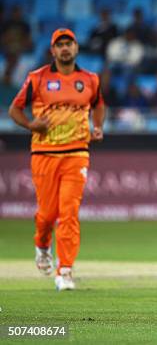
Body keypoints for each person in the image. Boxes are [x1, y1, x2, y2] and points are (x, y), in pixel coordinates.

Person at [8, 28, 105, 291]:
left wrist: (97, 127)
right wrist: (31, 125)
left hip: (77, 153)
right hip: (44, 153)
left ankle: (65, 270)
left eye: (69, 44)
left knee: (69, 213)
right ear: (53, 50)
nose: (64, 48)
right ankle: (42, 244)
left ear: (76, 48)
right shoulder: (37, 78)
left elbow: (98, 104)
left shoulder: (89, 79)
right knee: (47, 215)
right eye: (59, 44)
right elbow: (14, 109)